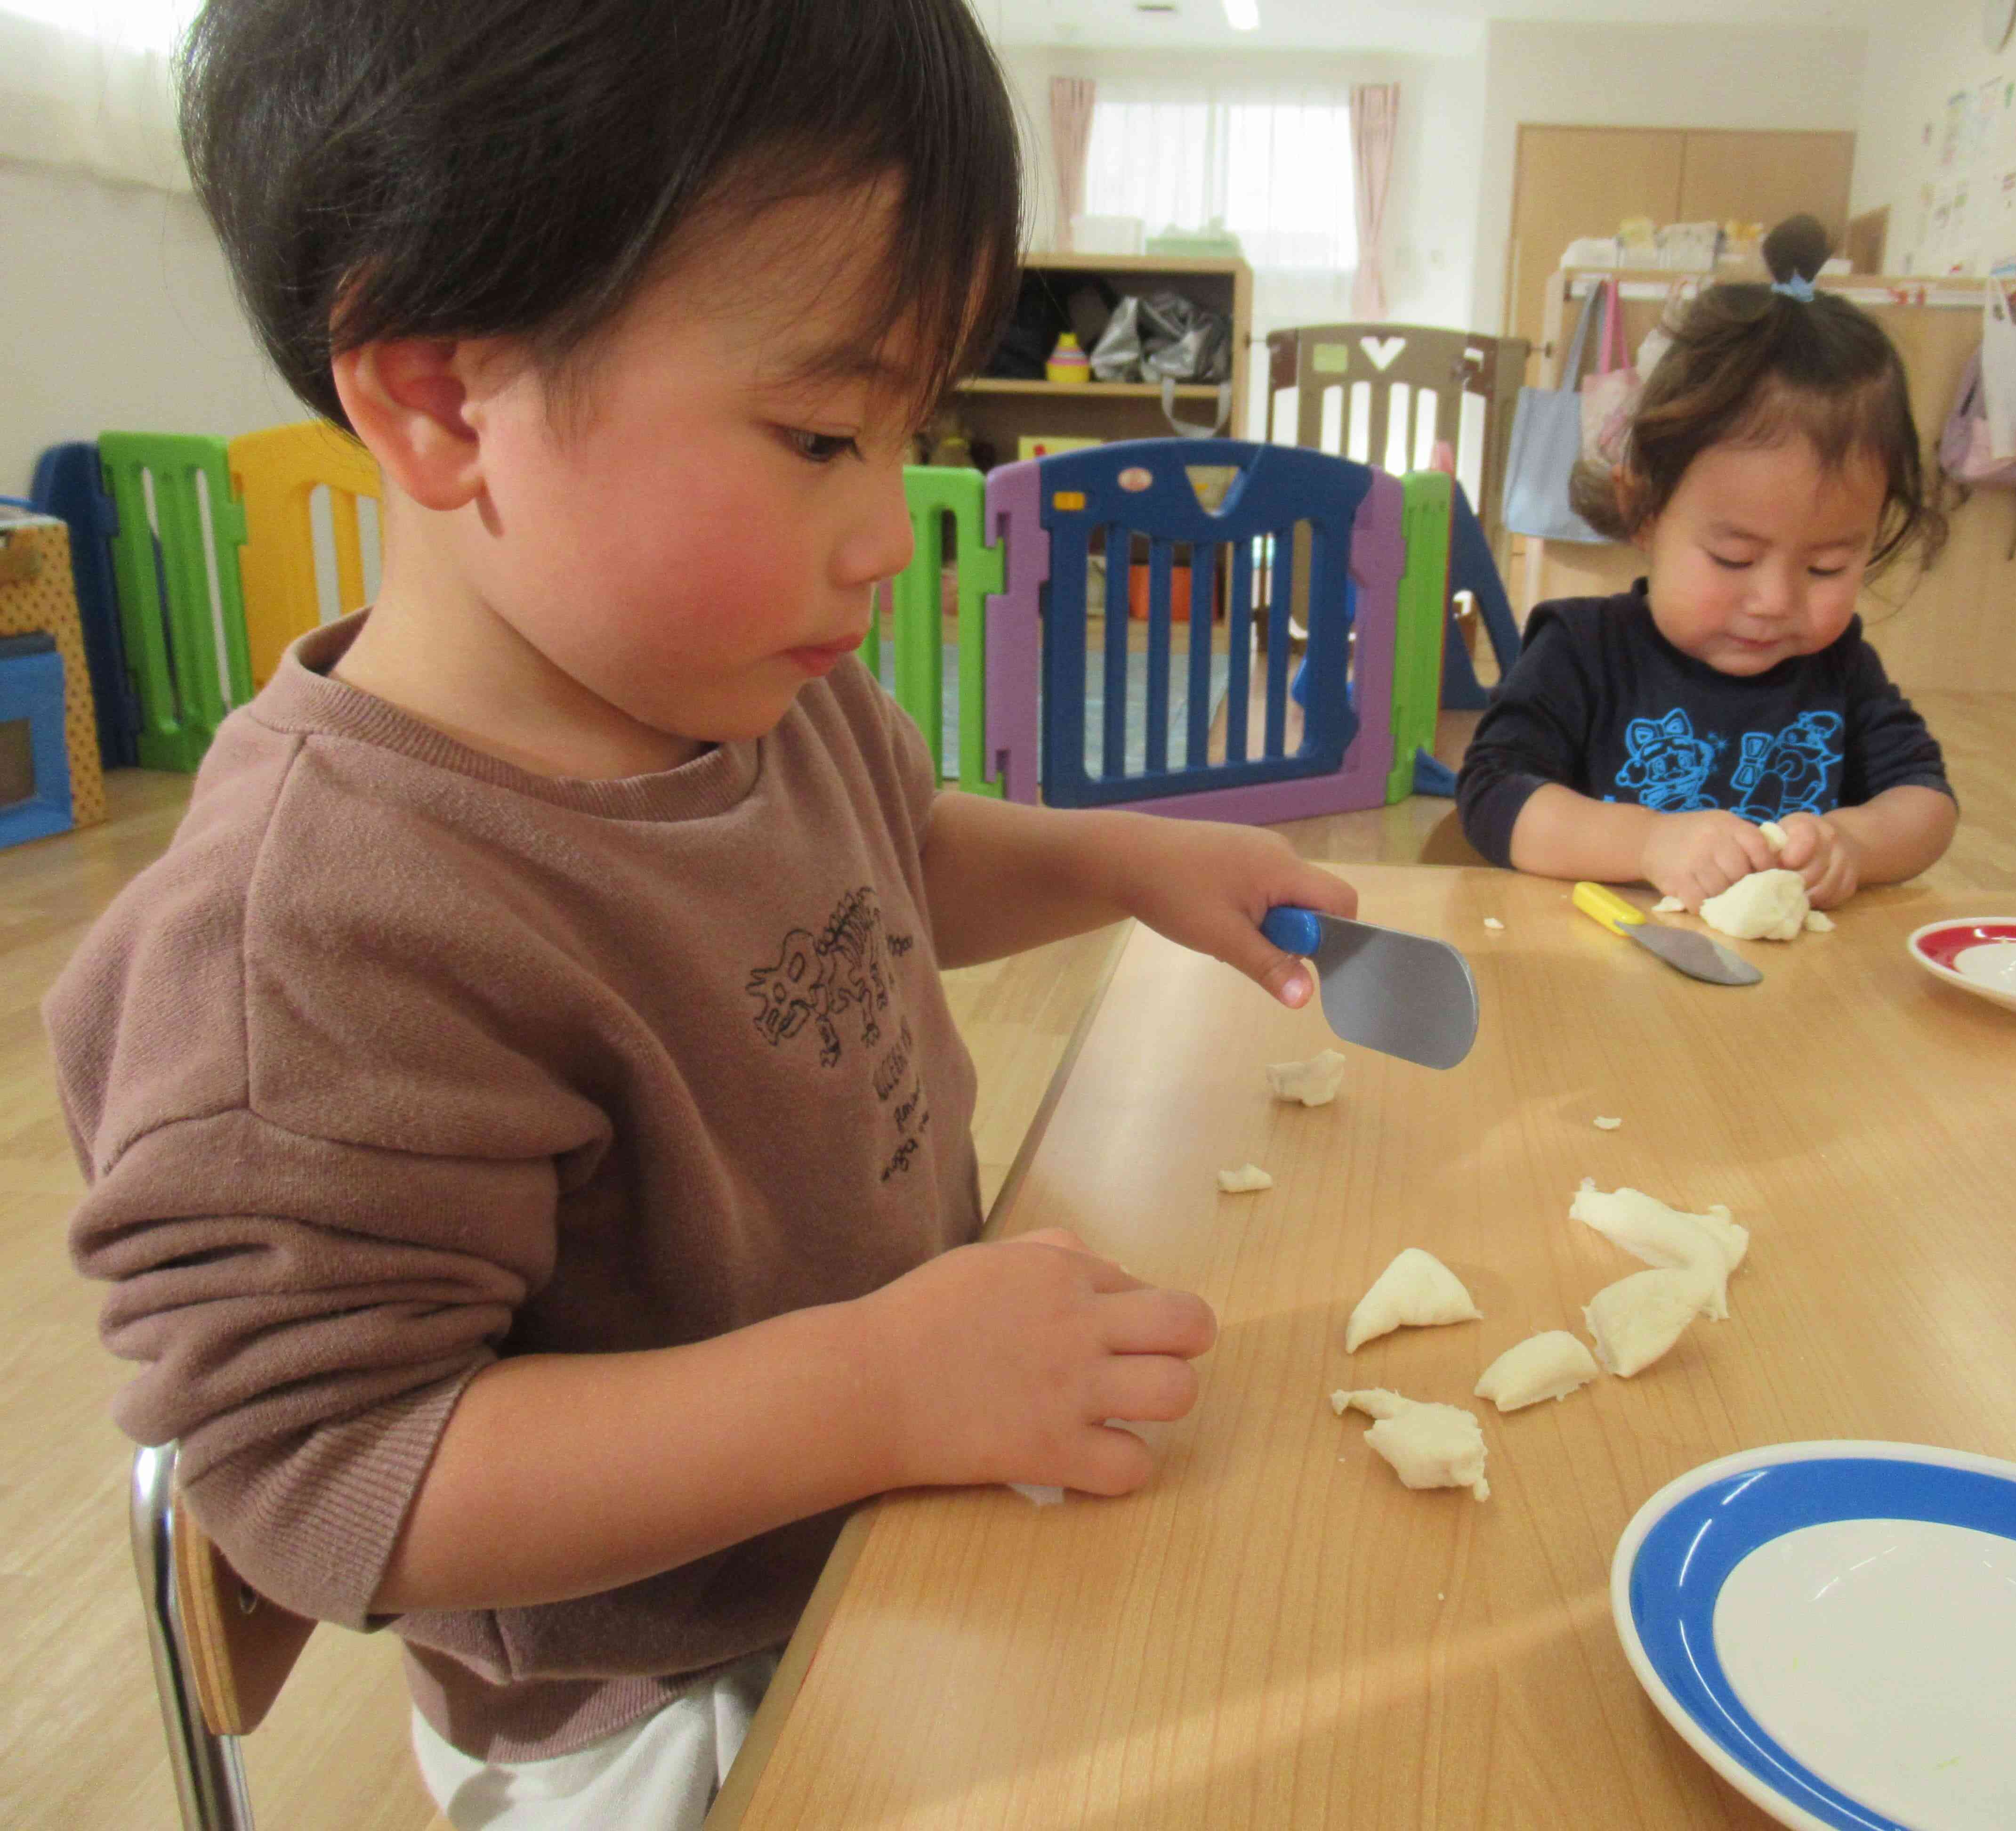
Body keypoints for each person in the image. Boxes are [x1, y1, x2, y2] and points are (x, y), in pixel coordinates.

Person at [43, 3, 1357, 1825]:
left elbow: (883, 866)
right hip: (653, 1702)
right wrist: (875, 1389)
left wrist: (1118, 861)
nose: (891, 524)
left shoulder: (751, 686)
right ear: (438, 399)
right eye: (823, 432)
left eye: (911, 431)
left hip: (884, 1504)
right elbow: (327, 1474)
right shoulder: (317, 935)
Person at [1457, 216, 1958, 911]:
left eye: (1827, 568)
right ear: (1646, 511)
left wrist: (1856, 844)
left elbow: (1927, 802)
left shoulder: (1839, 668)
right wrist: (1649, 844)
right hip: (1602, 971)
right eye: (1734, 558)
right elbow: (1493, 796)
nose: (1776, 600)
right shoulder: (1584, 650)